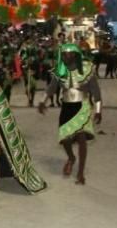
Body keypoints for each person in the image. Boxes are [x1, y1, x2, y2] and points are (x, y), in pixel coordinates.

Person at [38, 44, 102, 185]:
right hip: (66, 106)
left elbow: (96, 91)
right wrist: (43, 101)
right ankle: (71, 158)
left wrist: (98, 110)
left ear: (76, 55)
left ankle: (80, 173)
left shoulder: (86, 69)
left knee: (81, 138)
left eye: (70, 54)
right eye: (65, 54)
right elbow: (51, 88)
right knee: (65, 138)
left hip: (82, 107)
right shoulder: (60, 71)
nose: (67, 57)